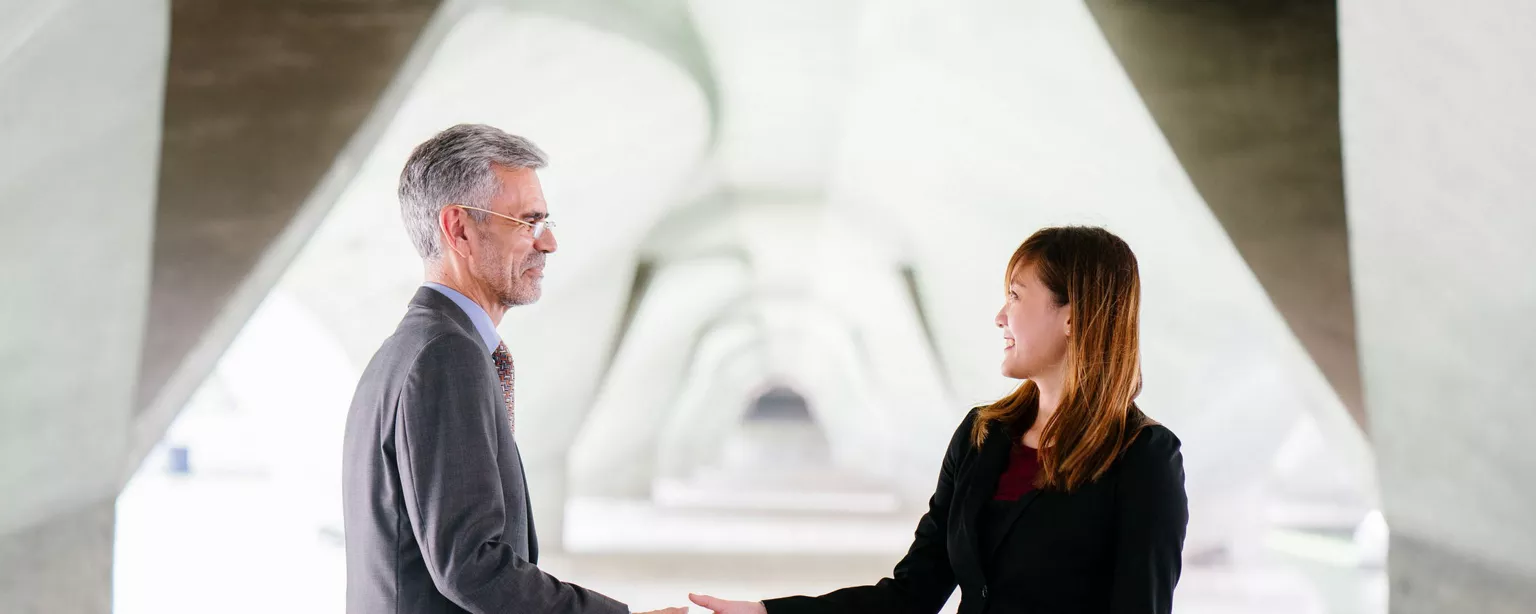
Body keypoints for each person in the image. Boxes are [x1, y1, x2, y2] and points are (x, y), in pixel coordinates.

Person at [689, 226, 1189, 614]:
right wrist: (764, 611)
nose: (999, 316)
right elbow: (912, 595)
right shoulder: (982, 436)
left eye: (1015, 296)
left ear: (1073, 317)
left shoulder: (1143, 458)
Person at [341, 124, 684, 614]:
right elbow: (471, 566)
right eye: (528, 222)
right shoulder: (445, 357)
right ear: (459, 228)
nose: (548, 245)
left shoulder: (408, 350)